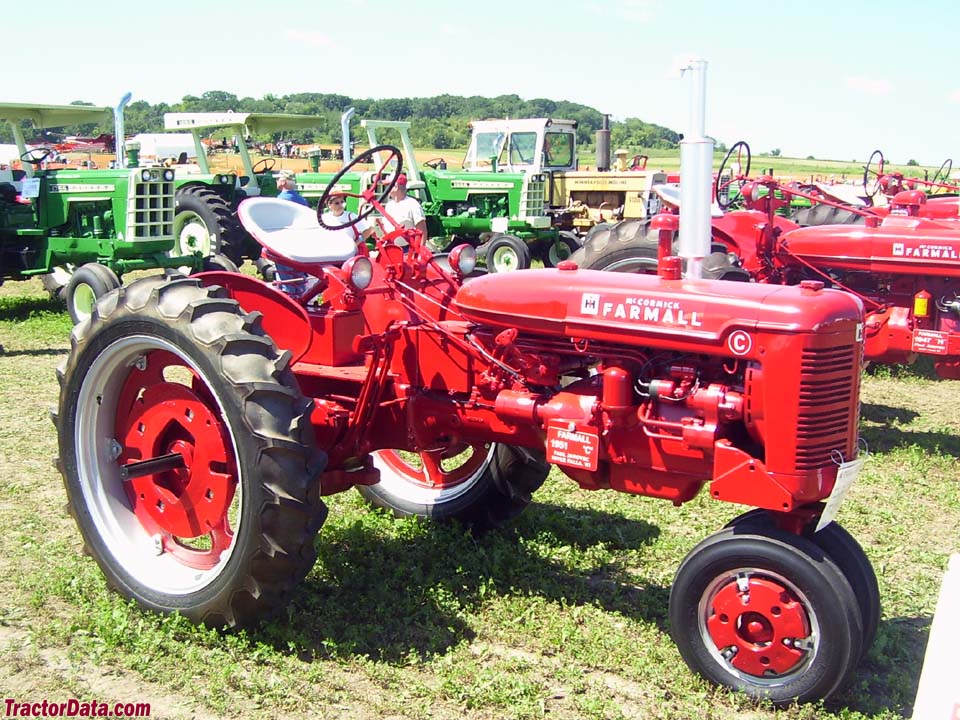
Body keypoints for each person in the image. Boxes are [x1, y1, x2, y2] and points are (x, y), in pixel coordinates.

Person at [384, 173, 427, 239]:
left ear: (396, 187)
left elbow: (422, 231)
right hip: (391, 247)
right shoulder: (389, 206)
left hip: (408, 248)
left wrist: (419, 248)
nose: (387, 189)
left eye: (388, 185)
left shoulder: (412, 205)